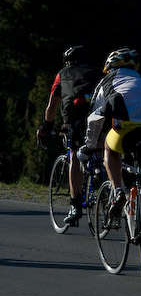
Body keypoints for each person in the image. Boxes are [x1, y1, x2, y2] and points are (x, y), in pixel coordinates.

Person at [77, 47, 141, 221]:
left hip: (127, 133)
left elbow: (93, 118)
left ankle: (118, 190)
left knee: (109, 148)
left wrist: (89, 145)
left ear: (110, 66)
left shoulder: (107, 81)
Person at [37, 45, 102, 223]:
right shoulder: (98, 72)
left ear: (67, 62)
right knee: (101, 148)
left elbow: (52, 105)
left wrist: (45, 127)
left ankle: (75, 206)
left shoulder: (63, 73)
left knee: (74, 155)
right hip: (102, 116)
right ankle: (101, 177)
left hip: (76, 118)